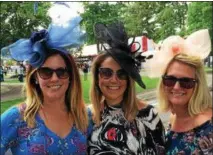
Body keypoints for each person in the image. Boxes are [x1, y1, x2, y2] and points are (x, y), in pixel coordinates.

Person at [1, 16, 93, 155]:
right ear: (35, 77)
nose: (54, 78)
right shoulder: (17, 118)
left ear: (70, 77)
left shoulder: (85, 116)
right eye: (46, 72)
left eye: (61, 72)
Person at [87, 22, 166, 154]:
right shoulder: (87, 116)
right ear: (97, 77)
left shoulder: (148, 115)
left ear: (129, 79)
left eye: (122, 73)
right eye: (106, 72)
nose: (113, 79)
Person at [147, 29, 212, 154]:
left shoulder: (208, 127)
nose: (176, 87)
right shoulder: (174, 118)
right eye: (170, 79)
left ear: (198, 85)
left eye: (186, 81)